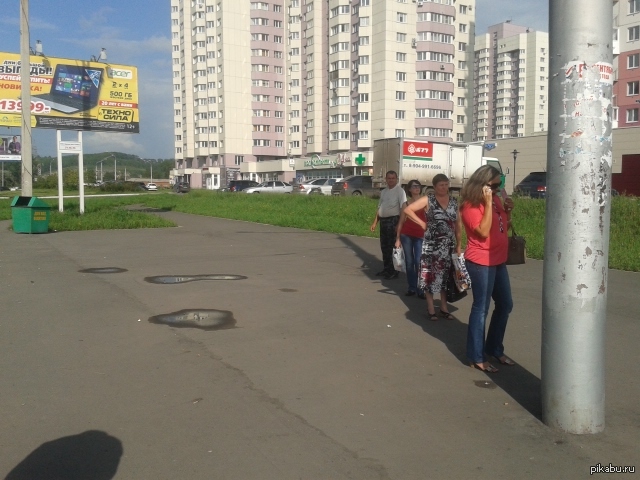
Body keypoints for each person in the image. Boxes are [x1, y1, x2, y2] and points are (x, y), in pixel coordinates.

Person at [459, 165, 515, 373]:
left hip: (498, 259)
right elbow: (483, 232)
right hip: (481, 261)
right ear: (482, 185)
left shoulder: (496, 200)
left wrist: (507, 212)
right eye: (494, 185)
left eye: (499, 184)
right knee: (481, 308)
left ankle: (494, 348)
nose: (498, 188)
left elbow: (502, 228)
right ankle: (476, 356)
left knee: (505, 304)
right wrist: (489, 203)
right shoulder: (470, 205)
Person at [405, 174, 461, 321]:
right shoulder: (428, 199)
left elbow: (458, 224)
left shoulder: (454, 201)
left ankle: (443, 308)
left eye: (446, 184)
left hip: (448, 245)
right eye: (441, 185)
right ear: (435, 186)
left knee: (446, 277)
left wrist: (459, 245)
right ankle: (431, 308)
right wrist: (422, 223)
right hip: (431, 245)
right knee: (430, 276)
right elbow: (408, 210)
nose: (444, 187)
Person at [370, 171, 407, 279]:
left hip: (393, 221)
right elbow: (379, 208)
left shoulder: (400, 191)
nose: (391, 180)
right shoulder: (384, 192)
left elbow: (403, 209)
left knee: (393, 247)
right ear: (386, 179)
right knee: (384, 246)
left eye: (393, 178)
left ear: (396, 179)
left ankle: (394, 271)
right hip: (383, 222)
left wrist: (399, 224)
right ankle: (386, 269)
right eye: (389, 178)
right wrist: (375, 222)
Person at [394, 180, 426, 297]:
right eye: (414, 186)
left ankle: (421, 289)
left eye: (418, 186)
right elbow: (401, 222)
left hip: (420, 235)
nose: (417, 188)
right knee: (409, 262)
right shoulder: (406, 204)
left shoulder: (425, 202)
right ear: (409, 189)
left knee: (418, 261)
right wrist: (398, 238)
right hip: (406, 235)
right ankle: (412, 287)